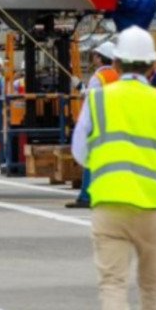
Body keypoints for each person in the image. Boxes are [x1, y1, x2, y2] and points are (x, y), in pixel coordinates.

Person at [72, 26, 156, 310]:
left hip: (110, 205)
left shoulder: (98, 99)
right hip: (155, 208)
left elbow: (79, 151)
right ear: (152, 66)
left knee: (113, 284)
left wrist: (107, 165)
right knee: (154, 288)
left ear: (117, 63)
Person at [68, 41, 118, 209]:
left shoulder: (99, 77)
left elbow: (91, 97)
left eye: (96, 55)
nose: (94, 58)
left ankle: (86, 196)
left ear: (100, 58)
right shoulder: (117, 75)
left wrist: (79, 86)